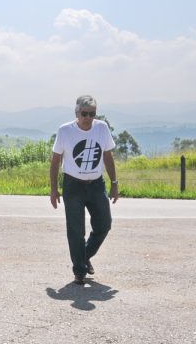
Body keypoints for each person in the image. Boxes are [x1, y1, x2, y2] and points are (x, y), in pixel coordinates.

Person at [49, 95, 119, 285]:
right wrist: (54, 189)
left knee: (104, 224)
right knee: (75, 230)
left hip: (96, 185)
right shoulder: (65, 131)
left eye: (92, 114)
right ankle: (79, 271)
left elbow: (107, 156)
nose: (88, 117)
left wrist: (114, 183)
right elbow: (55, 161)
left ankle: (84, 255)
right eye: (84, 113)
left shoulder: (102, 128)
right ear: (77, 113)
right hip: (73, 186)